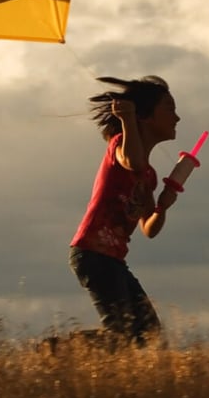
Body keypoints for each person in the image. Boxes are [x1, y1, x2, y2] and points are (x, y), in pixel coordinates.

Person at [69, 75, 181, 346]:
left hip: (113, 260)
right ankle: (54, 350)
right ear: (145, 116)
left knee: (148, 335)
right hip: (92, 255)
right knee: (121, 335)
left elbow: (148, 229)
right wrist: (127, 121)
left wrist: (163, 206)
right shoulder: (120, 144)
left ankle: (58, 350)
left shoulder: (150, 176)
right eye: (169, 109)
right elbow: (132, 162)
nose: (177, 118)